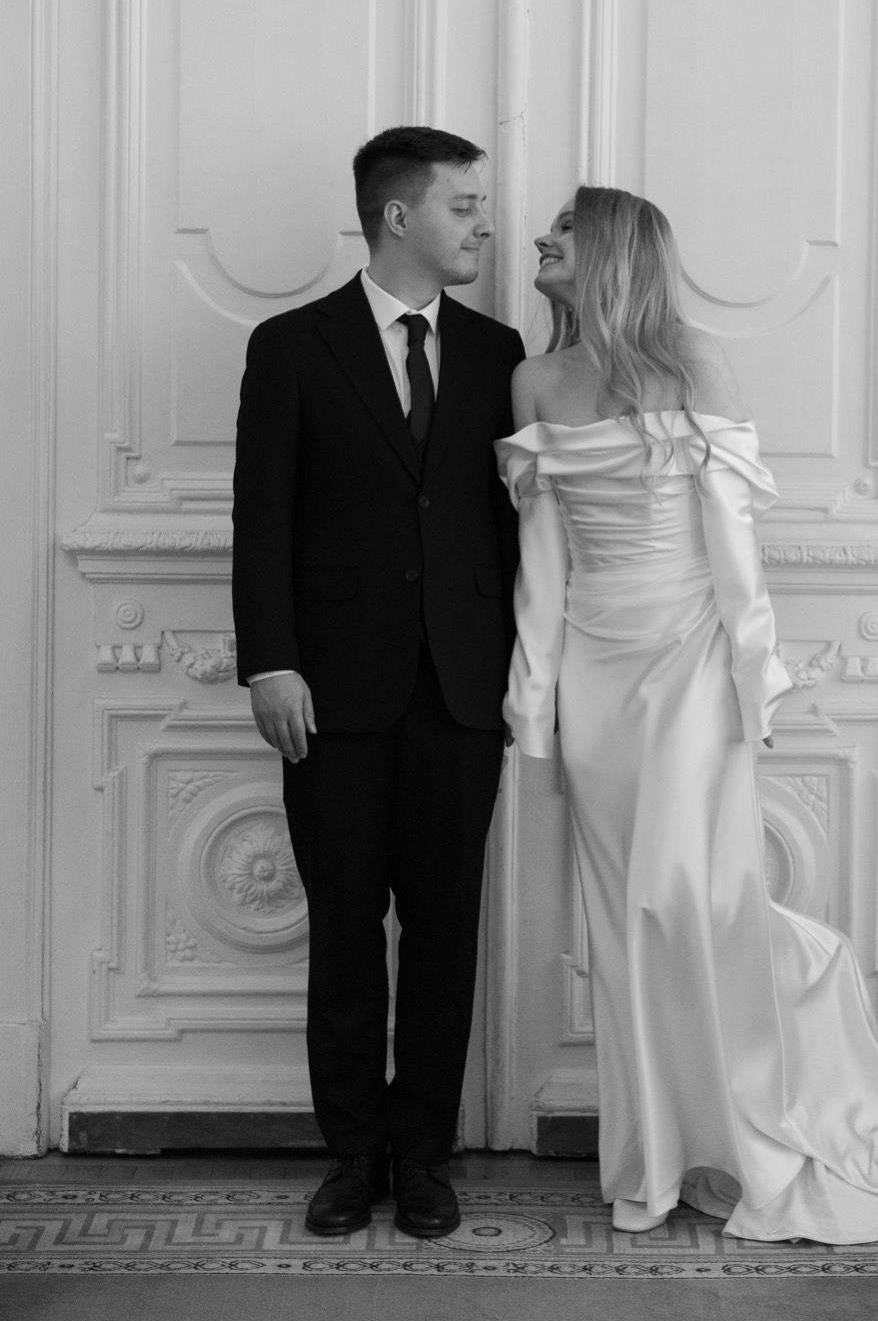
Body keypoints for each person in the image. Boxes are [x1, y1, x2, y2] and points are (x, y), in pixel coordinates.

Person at [496, 186, 878, 1244]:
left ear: (611, 249)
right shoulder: (533, 379)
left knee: (689, 903)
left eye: (563, 230)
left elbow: (732, 544)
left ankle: (743, 1135)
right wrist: (534, 699)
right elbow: (541, 560)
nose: (540, 239)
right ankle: (652, 1159)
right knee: (623, 925)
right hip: (596, 679)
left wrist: (756, 679)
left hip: (690, 664)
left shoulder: (695, 367)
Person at [232, 127, 524, 1240]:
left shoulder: (500, 353)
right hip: (331, 695)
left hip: (463, 692)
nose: (484, 224)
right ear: (399, 216)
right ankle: (352, 1155)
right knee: (347, 936)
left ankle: (425, 1155)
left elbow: (517, 530)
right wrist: (271, 660)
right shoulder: (291, 347)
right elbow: (262, 515)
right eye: (465, 206)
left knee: (445, 936)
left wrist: (529, 669)